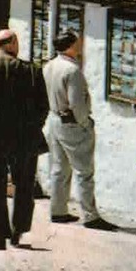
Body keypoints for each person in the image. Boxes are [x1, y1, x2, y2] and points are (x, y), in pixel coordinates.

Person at [0, 29, 51, 250]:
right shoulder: (32, 71)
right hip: (25, 136)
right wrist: (34, 125)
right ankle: (18, 230)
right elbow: (43, 105)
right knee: (24, 184)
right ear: (13, 43)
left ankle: (0, 237)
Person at [42, 30, 119, 231]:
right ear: (70, 46)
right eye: (77, 43)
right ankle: (90, 215)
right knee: (84, 172)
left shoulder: (49, 66)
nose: (80, 46)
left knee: (59, 168)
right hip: (72, 123)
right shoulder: (72, 71)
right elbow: (77, 104)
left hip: (54, 119)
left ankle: (57, 210)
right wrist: (86, 124)